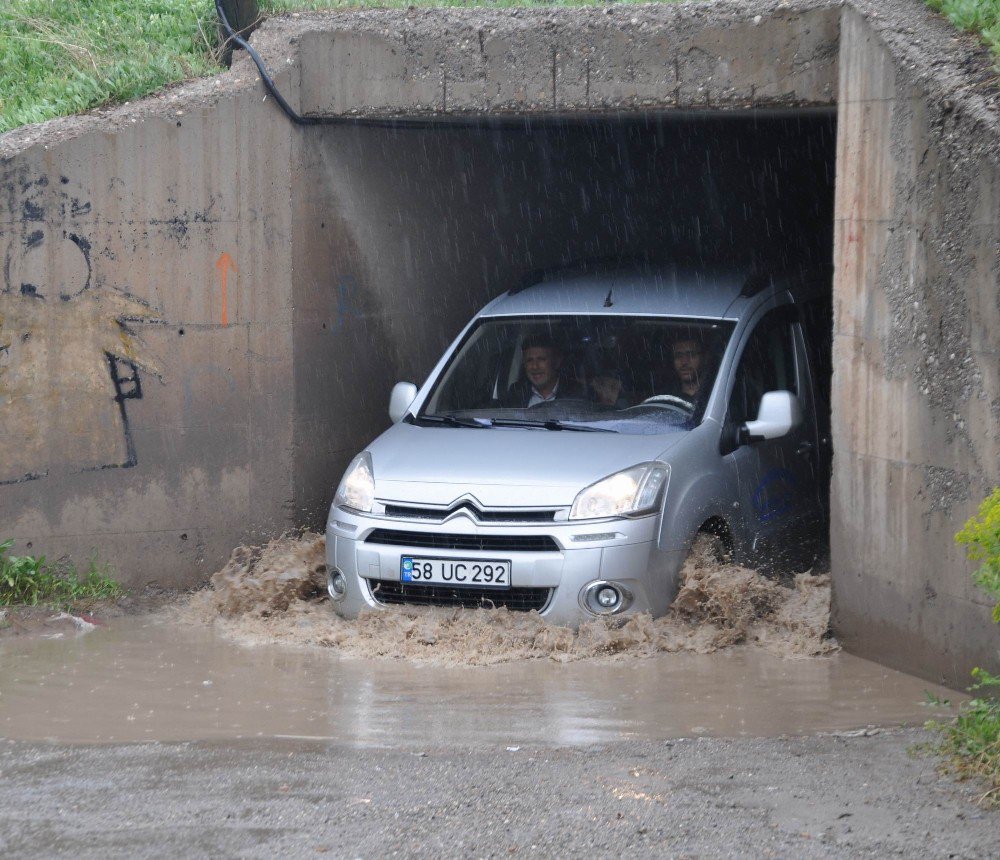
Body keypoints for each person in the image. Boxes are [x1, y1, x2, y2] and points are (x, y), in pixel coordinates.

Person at [501, 335, 580, 408]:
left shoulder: (578, 394)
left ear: (557, 362)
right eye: (529, 360)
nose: (535, 366)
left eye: (541, 359)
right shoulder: (516, 393)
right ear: (524, 364)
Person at [671, 337, 705, 401]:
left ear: (704, 358)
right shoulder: (666, 397)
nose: (684, 362)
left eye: (691, 355)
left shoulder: (715, 392)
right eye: (679, 356)